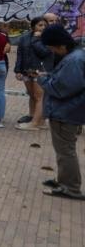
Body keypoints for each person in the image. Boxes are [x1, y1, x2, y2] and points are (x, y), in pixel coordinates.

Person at [35, 24, 85, 200]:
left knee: (65, 151)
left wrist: (42, 80)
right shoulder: (74, 56)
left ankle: (70, 187)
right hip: (66, 111)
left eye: (52, 48)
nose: (52, 52)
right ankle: (64, 180)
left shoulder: (74, 60)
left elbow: (61, 88)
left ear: (61, 45)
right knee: (63, 150)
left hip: (66, 111)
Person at [15, 17, 53, 131]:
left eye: (44, 25)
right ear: (33, 26)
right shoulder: (24, 38)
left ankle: (36, 123)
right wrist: (18, 70)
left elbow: (44, 52)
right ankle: (33, 117)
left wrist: (36, 39)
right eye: (40, 25)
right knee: (31, 95)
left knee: (39, 97)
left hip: (41, 71)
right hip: (27, 71)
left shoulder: (49, 39)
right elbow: (20, 54)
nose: (42, 27)